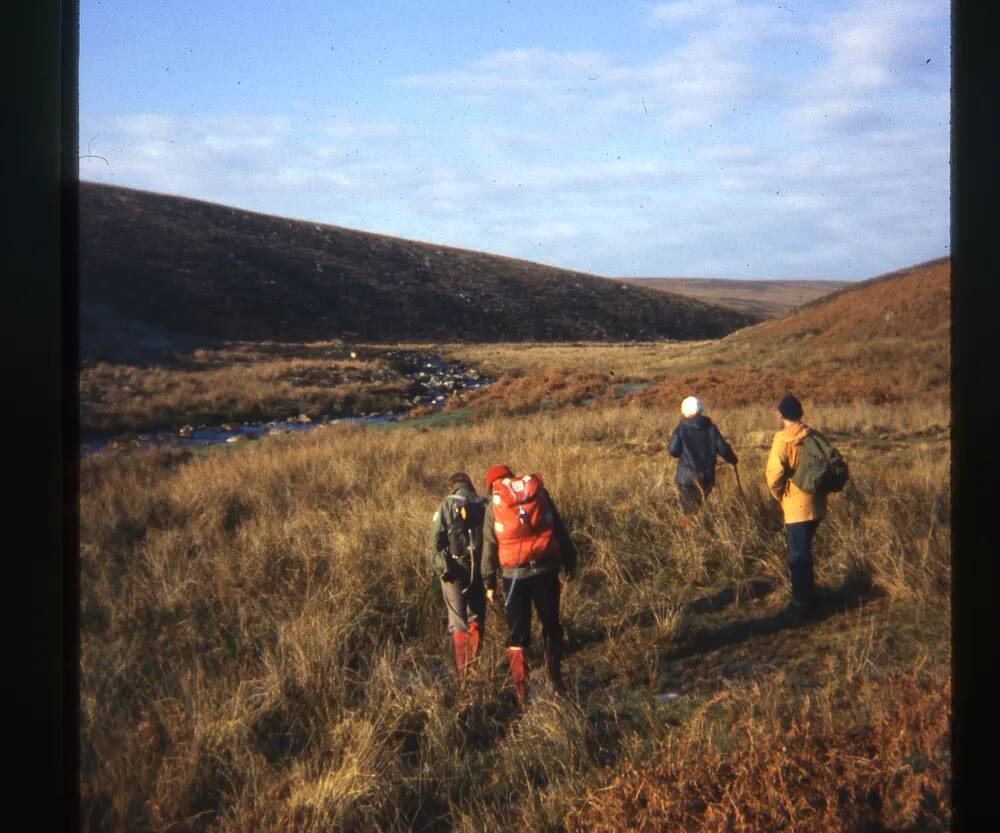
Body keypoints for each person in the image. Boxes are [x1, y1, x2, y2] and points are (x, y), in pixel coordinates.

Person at [482, 465, 578, 704]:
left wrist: (489, 582)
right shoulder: (538, 493)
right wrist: (570, 561)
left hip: (514, 576)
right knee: (552, 626)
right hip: (546, 569)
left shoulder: (493, 504)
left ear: (492, 484)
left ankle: (521, 693)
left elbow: (489, 547)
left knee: (517, 634)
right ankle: (556, 681)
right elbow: (559, 528)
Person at [765, 395, 826, 619]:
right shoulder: (813, 434)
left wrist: (778, 494)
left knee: (798, 554)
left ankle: (801, 604)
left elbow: (774, 474)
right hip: (817, 503)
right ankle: (809, 595)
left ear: (781, 414)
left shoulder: (782, 439)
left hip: (796, 504)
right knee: (806, 550)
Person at [427, 472, 488, 681]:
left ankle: (464, 675)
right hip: (478, 568)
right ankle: (474, 668)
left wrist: (441, 568)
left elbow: (433, 540)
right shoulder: (483, 503)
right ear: (470, 485)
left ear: (452, 486)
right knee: (476, 617)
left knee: (457, 620)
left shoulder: (447, 504)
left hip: (454, 570)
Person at [667, 395, 739, 530]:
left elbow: (673, 451)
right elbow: (723, 448)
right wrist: (733, 459)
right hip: (707, 477)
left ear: (684, 411)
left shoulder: (681, 428)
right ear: (701, 409)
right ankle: (700, 532)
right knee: (698, 507)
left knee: (688, 511)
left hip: (686, 478)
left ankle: (689, 538)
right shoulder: (711, 428)